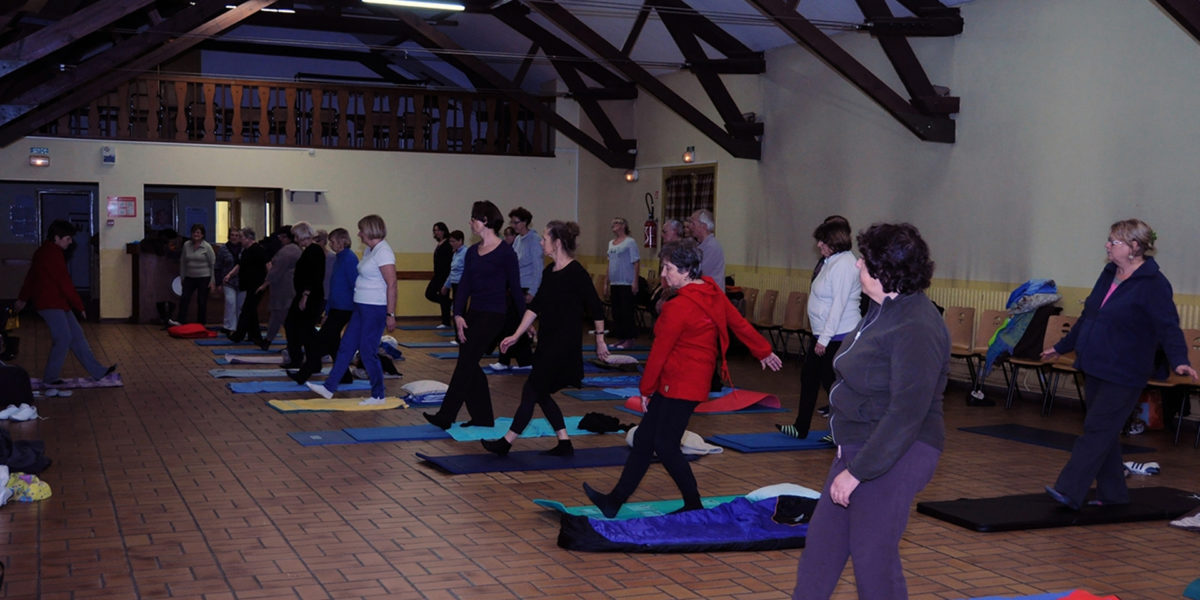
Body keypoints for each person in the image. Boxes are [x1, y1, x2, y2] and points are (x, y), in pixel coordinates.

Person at [791, 222, 948, 600]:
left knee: (872, 557)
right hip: (861, 447)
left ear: (885, 271)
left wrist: (858, 472)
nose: (858, 264)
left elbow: (906, 414)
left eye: (865, 260)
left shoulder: (917, 324)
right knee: (822, 549)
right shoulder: (882, 310)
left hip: (898, 450)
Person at [583, 240, 782, 518]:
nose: (663, 274)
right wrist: (763, 350)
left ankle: (693, 503)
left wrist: (645, 389)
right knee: (645, 440)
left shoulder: (679, 307)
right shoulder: (711, 291)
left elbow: (659, 353)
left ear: (687, 271)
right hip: (686, 383)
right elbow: (738, 323)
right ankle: (614, 501)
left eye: (668, 268)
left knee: (665, 445)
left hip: (679, 385)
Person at [1042, 219, 1197, 510]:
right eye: (1109, 240)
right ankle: (1113, 494)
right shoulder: (1109, 273)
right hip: (1095, 363)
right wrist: (1061, 347)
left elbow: (1168, 326)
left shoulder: (1153, 284)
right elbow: (1089, 315)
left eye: (1114, 242)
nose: (1107, 246)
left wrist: (1180, 361)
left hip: (1126, 370)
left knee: (1097, 427)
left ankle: (1069, 489)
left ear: (1134, 247)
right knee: (1104, 430)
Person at [482, 220, 609, 458]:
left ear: (557, 242)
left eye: (544, 238)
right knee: (539, 392)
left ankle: (506, 442)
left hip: (564, 345)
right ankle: (564, 442)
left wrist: (600, 340)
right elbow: (535, 307)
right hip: (547, 343)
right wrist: (516, 335)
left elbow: (595, 307)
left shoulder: (576, 272)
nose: (541, 243)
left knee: (531, 390)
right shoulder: (549, 272)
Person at [423, 201, 524, 429]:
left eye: (473, 219)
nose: (470, 223)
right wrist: (458, 314)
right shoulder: (472, 252)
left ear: (485, 220)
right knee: (469, 363)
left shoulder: (505, 252)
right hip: (473, 313)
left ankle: (446, 416)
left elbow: (516, 289)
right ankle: (483, 417)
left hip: (494, 314)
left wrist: (526, 322)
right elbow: (465, 286)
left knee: (466, 363)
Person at [779, 219, 861, 440]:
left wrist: (824, 339)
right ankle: (801, 427)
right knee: (809, 378)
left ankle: (843, 432)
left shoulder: (844, 264)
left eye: (822, 241)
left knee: (832, 384)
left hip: (838, 335)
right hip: (825, 334)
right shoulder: (830, 261)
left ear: (834, 241)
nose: (818, 245)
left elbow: (838, 305)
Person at [15, 220, 117, 393]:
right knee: (63, 338)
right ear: (57, 238)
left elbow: (31, 277)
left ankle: (98, 371)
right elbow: (64, 282)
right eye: (68, 238)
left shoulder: (44, 251)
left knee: (77, 336)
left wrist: (23, 299)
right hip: (50, 303)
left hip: (57, 302)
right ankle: (51, 378)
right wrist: (79, 306)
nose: (70, 242)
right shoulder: (52, 254)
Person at [307, 215, 397, 405]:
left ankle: (378, 394)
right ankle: (329, 387)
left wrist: (390, 313)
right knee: (346, 346)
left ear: (370, 230)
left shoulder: (384, 252)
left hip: (375, 308)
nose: (359, 234)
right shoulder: (369, 250)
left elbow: (392, 284)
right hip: (360, 306)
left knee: (367, 351)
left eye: (361, 230)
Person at [290, 227, 356, 385]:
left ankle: (303, 375)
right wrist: (327, 311)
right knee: (333, 343)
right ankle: (345, 376)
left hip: (345, 308)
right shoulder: (339, 258)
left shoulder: (349, 258)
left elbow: (355, 285)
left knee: (320, 342)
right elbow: (334, 287)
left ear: (342, 241)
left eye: (333, 242)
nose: (330, 245)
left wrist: (357, 310)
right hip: (336, 307)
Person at [493, 207, 542, 370]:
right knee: (510, 324)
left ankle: (518, 361)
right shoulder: (518, 240)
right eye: (512, 222)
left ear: (525, 222)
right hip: (515, 287)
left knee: (516, 324)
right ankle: (515, 360)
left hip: (526, 288)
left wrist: (533, 292)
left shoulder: (534, 240)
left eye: (516, 222)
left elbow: (538, 268)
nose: (513, 225)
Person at [282, 222, 325, 381]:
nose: (295, 239)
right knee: (299, 327)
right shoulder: (309, 250)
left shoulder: (314, 250)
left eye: (296, 236)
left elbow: (314, 276)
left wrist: (305, 295)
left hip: (309, 297)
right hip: (305, 295)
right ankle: (307, 361)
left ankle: (306, 361)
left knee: (302, 329)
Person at [227, 228, 268, 347]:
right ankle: (255, 336)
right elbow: (240, 265)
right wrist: (230, 275)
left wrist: (265, 284)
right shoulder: (245, 251)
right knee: (251, 311)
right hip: (249, 285)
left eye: (241, 237)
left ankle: (238, 335)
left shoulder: (259, 250)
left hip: (258, 286)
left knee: (246, 310)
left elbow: (269, 266)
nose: (239, 240)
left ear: (249, 238)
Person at [263, 225, 299, 349]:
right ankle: (268, 340)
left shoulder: (287, 251)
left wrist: (267, 277)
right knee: (277, 316)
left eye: (281, 237)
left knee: (284, 317)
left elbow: (276, 270)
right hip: (286, 287)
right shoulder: (295, 249)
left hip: (284, 288)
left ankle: (293, 345)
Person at [607, 217, 640, 349]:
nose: (613, 225)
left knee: (626, 312)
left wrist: (635, 281)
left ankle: (629, 339)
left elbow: (636, 262)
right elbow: (609, 263)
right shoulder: (611, 243)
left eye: (616, 223)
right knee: (617, 313)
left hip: (626, 282)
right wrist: (606, 282)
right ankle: (620, 338)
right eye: (612, 223)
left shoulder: (630, 242)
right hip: (614, 282)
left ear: (623, 225)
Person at [174, 223, 216, 326]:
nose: (196, 234)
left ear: (202, 235)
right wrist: (182, 276)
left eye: (198, 233)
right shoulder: (186, 245)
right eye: (194, 232)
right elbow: (183, 262)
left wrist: (212, 281)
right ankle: (180, 321)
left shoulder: (207, 247)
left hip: (204, 277)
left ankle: (201, 323)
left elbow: (213, 264)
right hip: (189, 277)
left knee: (201, 301)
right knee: (184, 298)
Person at [650, 219, 684, 316]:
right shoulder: (667, 249)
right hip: (666, 290)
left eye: (665, 232)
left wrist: (666, 295)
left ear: (675, 231)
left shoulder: (684, 250)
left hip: (676, 294)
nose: (662, 235)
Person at [214, 227, 244, 335]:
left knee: (241, 305)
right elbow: (217, 266)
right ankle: (228, 326)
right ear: (229, 236)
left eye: (237, 235)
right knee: (230, 303)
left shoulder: (244, 248)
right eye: (232, 235)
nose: (234, 237)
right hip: (228, 281)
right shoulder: (223, 249)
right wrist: (218, 283)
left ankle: (240, 327)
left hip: (242, 281)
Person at [424, 222, 454, 328]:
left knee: (443, 296)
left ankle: (446, 322)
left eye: (438, 230)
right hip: (437, 275)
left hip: (445, 275)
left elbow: (449, 261)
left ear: (443, 231)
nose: (436, 232)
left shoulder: (447, 244)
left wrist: (448, 277)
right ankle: (450, 303)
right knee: (430, 294)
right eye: (434, 230)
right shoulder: (439, 243)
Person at [687, 209, 724, 292]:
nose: (690, 227)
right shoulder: (700, 245)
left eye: (693, 223)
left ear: (703, 226)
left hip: (711, 294)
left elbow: (697, 273)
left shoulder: (711, 246)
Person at [439, 230, 466, 302]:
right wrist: (446, 285)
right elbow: (453, 271)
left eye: (453, 241)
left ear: (460, 241)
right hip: (454, 283)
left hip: (461, 284)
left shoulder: (466, 253)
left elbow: (468, 270)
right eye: (450, 241)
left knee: (459, 306)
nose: (451, 244)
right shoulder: (455, 253)